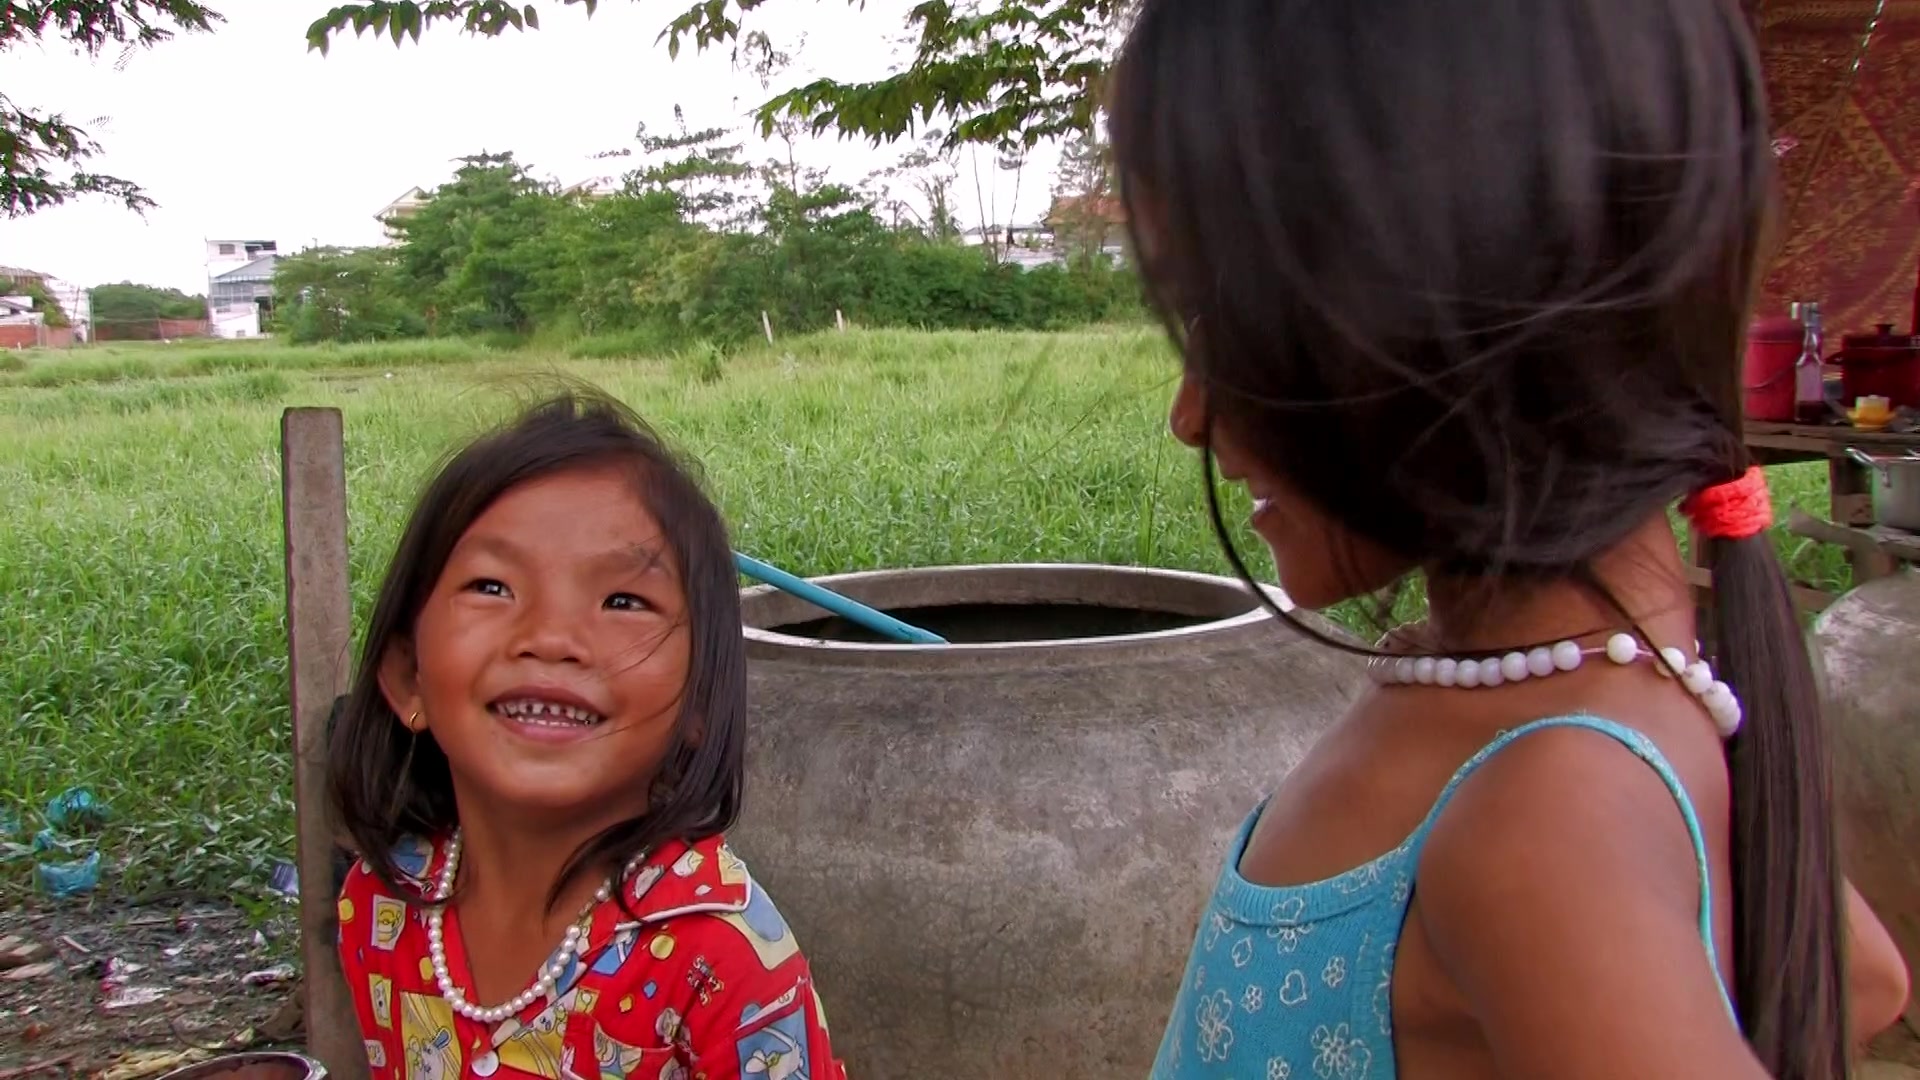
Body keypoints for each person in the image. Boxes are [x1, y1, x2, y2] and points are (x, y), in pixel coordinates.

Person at [1104, 1, 1910, 1076]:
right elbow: (1859, 977)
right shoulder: (1543, 698)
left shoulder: (1544, 818)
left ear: (1442, 299)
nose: (1191, 416)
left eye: (1231, 321)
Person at [327, 390, 844, 1080]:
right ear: (408, 678)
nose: (551, 638)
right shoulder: (384, 902)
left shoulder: (719, 956)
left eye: (623, 601)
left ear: (700, 702)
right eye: (491, 586)